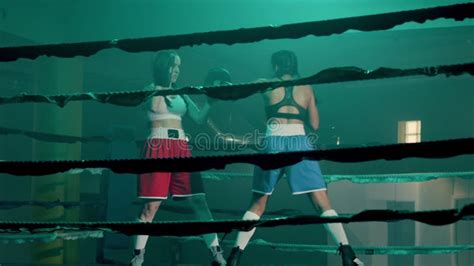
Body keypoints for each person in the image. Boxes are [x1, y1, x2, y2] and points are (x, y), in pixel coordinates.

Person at [226, 50, 363, 266]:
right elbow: (315, 125)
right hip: (299, 142)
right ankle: (347, 252)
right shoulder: (307, 87)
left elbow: (238, 93)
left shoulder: (267, 83)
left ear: (276, 67)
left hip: (273, 141)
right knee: (321, 201)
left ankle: (235, 255)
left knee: (258, 204)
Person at [130, 50, 226, 266]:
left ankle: (217, 253)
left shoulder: (183, 94)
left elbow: (199, 118)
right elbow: (139, 111)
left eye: (179, 67)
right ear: (163, 66)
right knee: (151, 207)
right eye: (173, 66)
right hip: (157, 145)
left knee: (199, 201)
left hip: (181, 147)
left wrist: (211, 100)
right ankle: (138, 256)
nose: (177, 71)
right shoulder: (148, 90)